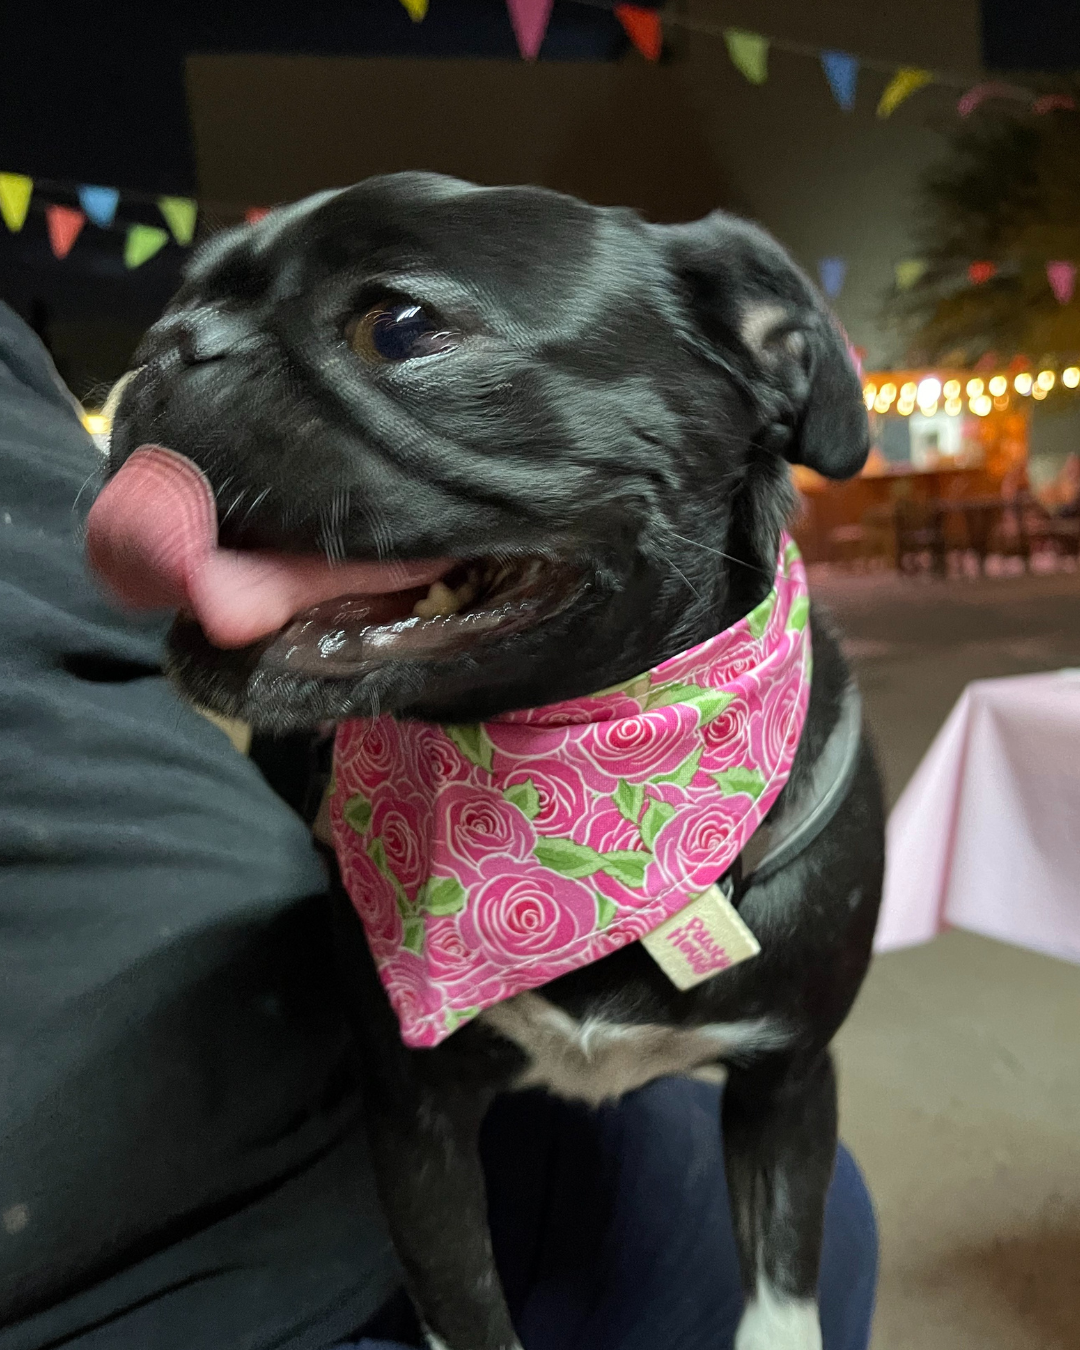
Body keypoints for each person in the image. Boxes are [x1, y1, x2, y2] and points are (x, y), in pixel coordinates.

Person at [0, 301, 877, 1350]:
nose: (189, 335)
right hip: (160, 1255)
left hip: (301, 1046)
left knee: (822, 1227)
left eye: (400, 333)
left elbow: (789, 1079)